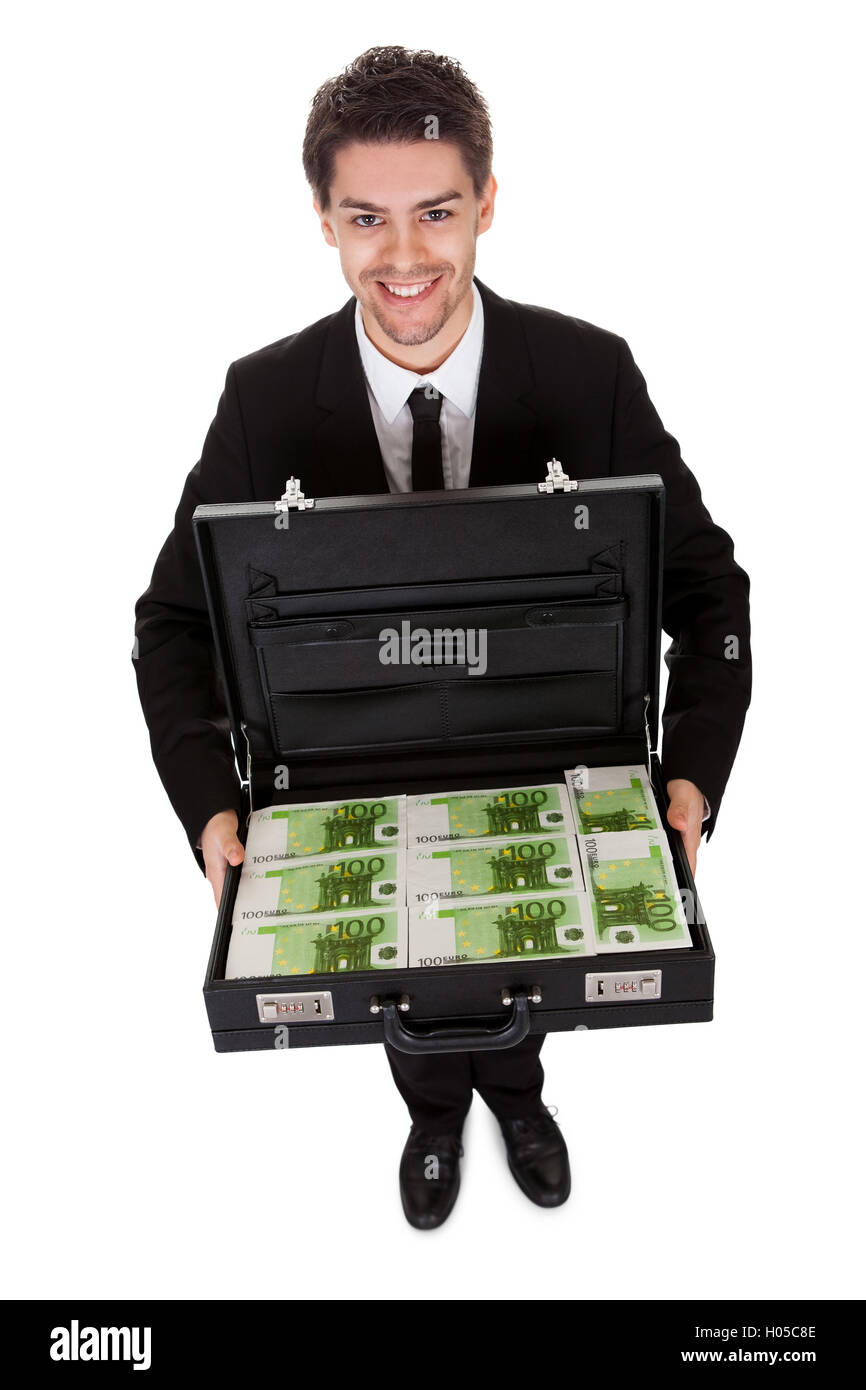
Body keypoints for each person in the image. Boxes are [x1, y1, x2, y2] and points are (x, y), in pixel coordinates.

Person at [133, 45, 751, 1231]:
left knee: (524, 997)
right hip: (350, 776)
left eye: (435, 213)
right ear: (323, 219)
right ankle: (429, 1111)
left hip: (550, 769)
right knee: (405, 1009)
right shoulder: (263, 399)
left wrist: (688, 777)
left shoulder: (590, 372)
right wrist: (210, 802)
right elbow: (172, 623)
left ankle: (516, 1096)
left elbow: (708, 592)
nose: (404, 256)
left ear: (486, 206)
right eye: (366, 217)